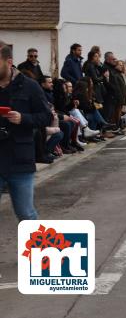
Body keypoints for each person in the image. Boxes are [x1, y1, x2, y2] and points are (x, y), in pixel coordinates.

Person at [0, 41, 52, 221]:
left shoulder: (30, 86)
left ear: (8, 62)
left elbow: (46, 116)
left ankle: (39, 249)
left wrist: (23, 119)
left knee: (26, 214)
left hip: (20, 159)